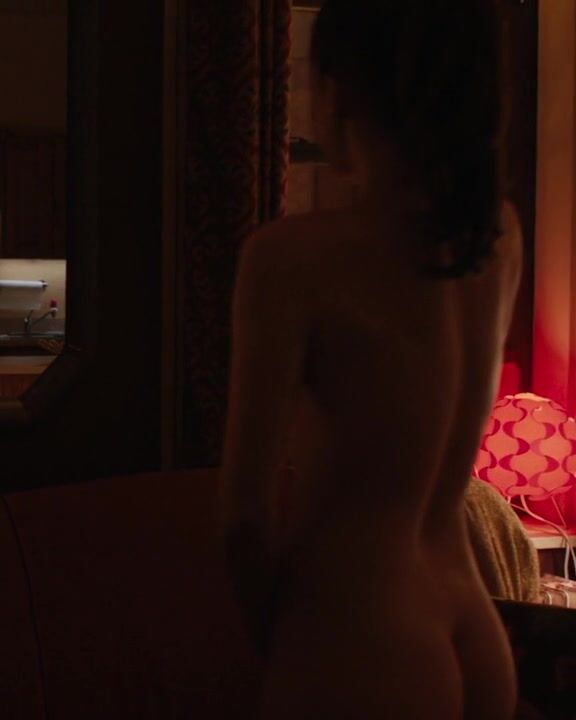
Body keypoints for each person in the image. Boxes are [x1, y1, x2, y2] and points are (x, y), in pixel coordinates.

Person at [218, 1, 522, 717]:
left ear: (337, 89)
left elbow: (245, 518)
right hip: (475, 627)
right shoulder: (498, 236)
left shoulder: (290, 259)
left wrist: (290, 637)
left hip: (366, 631)